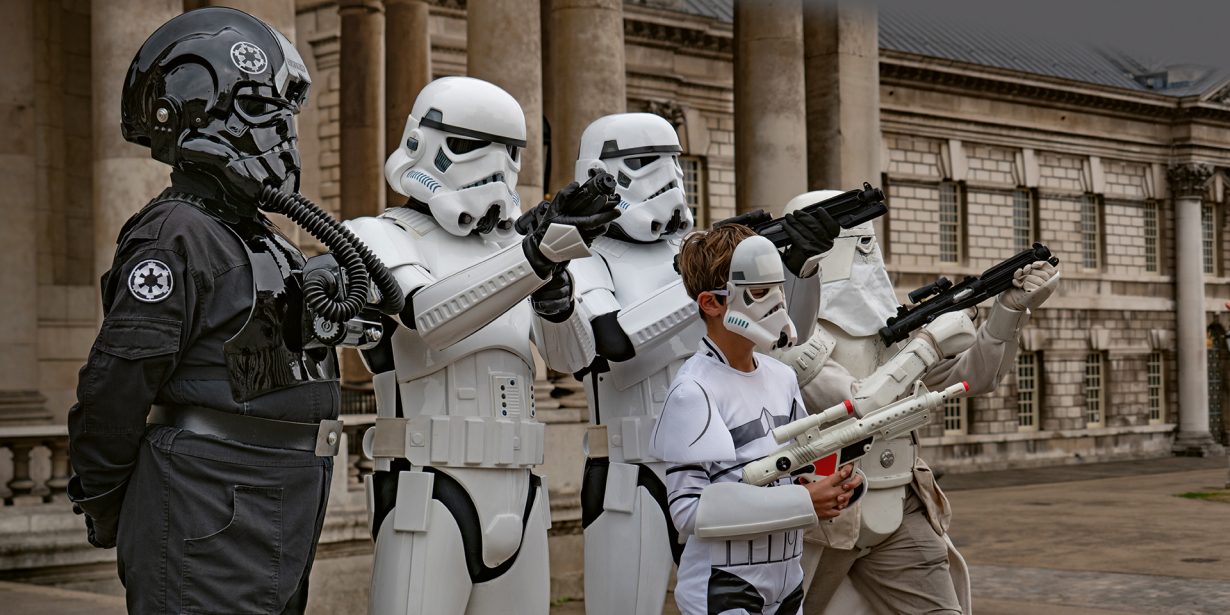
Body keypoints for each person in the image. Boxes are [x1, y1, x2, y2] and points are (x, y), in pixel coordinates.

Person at [66, 8, 370, 613]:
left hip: (276, 504)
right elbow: (118, 383)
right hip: (208, 511)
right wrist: (105, 500)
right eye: (262, 110)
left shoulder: (264, 237)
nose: (282, 132)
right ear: (199, 111)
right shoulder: (174, 234)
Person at [532, 113, 840, 615]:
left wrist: (799, 265)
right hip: (631, 472)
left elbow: (785, 338)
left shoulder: (691, 251)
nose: (667, 176)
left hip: (727, 473)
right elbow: (611, 340)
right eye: (644, 162)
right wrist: (709, 280)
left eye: (673, 161)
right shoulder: (587, 258)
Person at [347, 76, 619, 614]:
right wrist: (534, 259)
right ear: (423, 142)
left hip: (521, 493)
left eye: (510, 153)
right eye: (471, 146)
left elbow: (573, 360)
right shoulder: (380, 234)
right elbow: (427, 316)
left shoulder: (513, 254)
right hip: (428, 490)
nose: (495, 168)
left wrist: (555, 299)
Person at [770, 191, 1061, 615]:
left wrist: (1009, 310)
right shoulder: (789, 334)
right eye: (859, 243)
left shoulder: (889, 323)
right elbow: (859, 409)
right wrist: (927, 344)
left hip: (900, 503)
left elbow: (971, 378)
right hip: (823, 514)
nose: (868, 255)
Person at [648, 225, 862, 615]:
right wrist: (802, 500)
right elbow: (688, 511)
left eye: (778, 288)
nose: (778, 304)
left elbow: (803, 465)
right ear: (712, 303)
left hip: (788, 579)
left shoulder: (781, 378)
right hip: (724, 585)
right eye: (760, 293)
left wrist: (836, 486)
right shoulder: (693, 391)